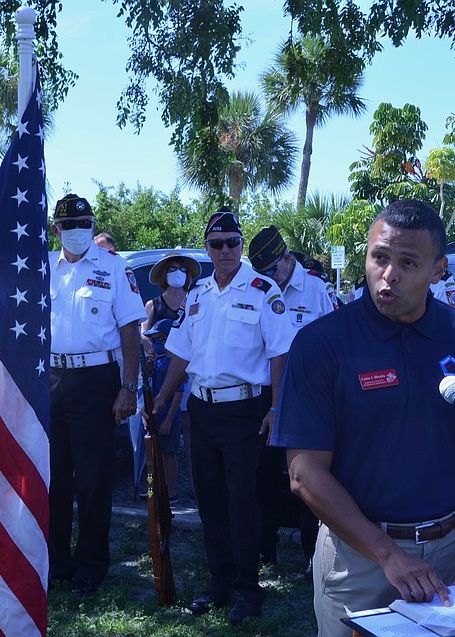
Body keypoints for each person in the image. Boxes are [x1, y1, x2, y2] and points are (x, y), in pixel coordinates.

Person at [272, 199, 455, 637]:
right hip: (360, 559)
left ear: (438, 269)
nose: (389, 275)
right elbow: (305, 473)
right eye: (379, 258)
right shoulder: (322, 344)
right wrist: (387, 554)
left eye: (408, 262)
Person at [150, 208, 293, 624]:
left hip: (245, 410)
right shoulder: (197, 295)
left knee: (241, 501)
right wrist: (161, 398)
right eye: (217, 244)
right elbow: (181, 352)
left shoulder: (263, 290)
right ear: (208, 249)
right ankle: (220, 582)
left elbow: (280, 353)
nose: (225, 250)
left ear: (242, 245)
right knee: (209, 500)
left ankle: (249, 591)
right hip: (202, 408)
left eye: (233, 242)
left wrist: (274, 407)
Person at [48, 194, 146, 596]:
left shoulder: (114, 268)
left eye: (84, 224)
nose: (76, 232)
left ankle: (91, 564)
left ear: (92, 225)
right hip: (51, 380)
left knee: (92, 478)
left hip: (97, 380)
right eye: (68, 226)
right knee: (53, 478)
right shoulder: (42, 270)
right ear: (57, 230)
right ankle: (56, 561)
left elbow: (129, 331)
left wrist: (128, 386)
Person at [248, 226, 335, 577]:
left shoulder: (315, 289)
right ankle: (264, 549)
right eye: (262, 273)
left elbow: (333, 342)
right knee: (263, 478)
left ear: (286, 259)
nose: (268, 278)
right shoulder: (256, 290)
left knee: (308, 479)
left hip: (309, 398)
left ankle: (311, 556)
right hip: (268, 398)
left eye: (272, 270)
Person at [141, 251, 201, 497]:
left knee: (190, 435)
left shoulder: (195, 300)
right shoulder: (153, 304)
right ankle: (158, 489)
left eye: (182, 268)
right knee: (158, 436)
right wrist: (150, 348)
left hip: (192, 374)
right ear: (164, 274)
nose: (178, 272)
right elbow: (143, 333)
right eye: (172, 268)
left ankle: (196, 489)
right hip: (163, 374)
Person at [142, 318, 185, 502]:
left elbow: (178, 393)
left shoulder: (173, 363)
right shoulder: (157, 361)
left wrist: (168, 419)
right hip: (155, 416)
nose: (154, 344)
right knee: (155, 454)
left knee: (168, 454)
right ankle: (157, 489)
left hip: (169, 418)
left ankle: (171, 492)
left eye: (158, 339)